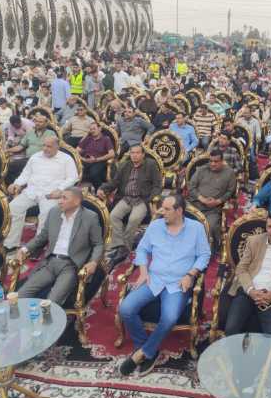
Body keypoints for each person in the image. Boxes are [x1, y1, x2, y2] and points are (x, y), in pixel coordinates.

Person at [118, 194, 211, 376]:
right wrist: (143, 271)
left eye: (167, 209)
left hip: (178, 283)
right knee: (126, 309)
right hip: (154, 279)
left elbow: (204, 255)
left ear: (179, 211)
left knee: (169, 318)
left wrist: (190, 274)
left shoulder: (196, 228)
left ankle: (142, 354)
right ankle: (145, 349)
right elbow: (142, 249)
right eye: (162, 208)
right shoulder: (155, 226)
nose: (162, 212)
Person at [16, 186, 103, 304]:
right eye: (60, 197)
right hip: (50, 263)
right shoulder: (54, 212)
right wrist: (24, 249)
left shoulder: (90, 217)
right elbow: (42, 236)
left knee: (51, 302)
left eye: (64, 198)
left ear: (77, 201)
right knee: (21, 295)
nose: (60, 201)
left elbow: (98, 244)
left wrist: (93, 262)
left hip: (70, 266)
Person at [224, 212, 271, 336]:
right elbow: (241, 269)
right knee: (231, 329)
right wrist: (251, 291)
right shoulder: (254, 241)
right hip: (248, 290)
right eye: (269, 226)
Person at [4, 137, 79, 250]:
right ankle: (11, 244)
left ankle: (37, 245)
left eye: (49, 146)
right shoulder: (35, 157)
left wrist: (60, 189)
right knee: (13, 207)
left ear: (57, 147)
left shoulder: (66, 159)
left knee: (46, 214)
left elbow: (73, 177)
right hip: (32, 191)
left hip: (51, 194)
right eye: (43, 145)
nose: (45, 149)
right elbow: (26, 174)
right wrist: (17, 184)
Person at [98, 145, 162, 254]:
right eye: (132, 153)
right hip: (126, 198)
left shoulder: (150, 165)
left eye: (137, 153)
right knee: (113, 216)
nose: (134, 155)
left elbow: (157, 185)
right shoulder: (125, 165)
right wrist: (103, 188)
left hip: (142, 199)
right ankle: (119, 244)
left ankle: (126, 247)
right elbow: (115, 182)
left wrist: (151, 199)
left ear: (143, 155)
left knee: (133, 219)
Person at [187, 149, 236, 248]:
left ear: (222, 161)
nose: (213, 164)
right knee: (182, 220)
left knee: (211, 226)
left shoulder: (229, 173)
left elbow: (230, 192)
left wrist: (218, 201)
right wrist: (201, 198)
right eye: (211, 161)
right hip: (195, 205)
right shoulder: (201, 170)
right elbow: (191, 187)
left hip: (213, 209)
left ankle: (209, 249)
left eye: (216, 161)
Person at [77, 121, 115, 190]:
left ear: (100, 129)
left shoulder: (106, 139)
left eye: (94, 129)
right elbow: (76, 151)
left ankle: (100, 190)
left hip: (99, 161)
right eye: (91, 129)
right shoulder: (88, 138)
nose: (92, 131)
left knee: (93, 174)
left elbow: (112, 154)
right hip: (85, 160)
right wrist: (83, 159)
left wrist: (96, 159)